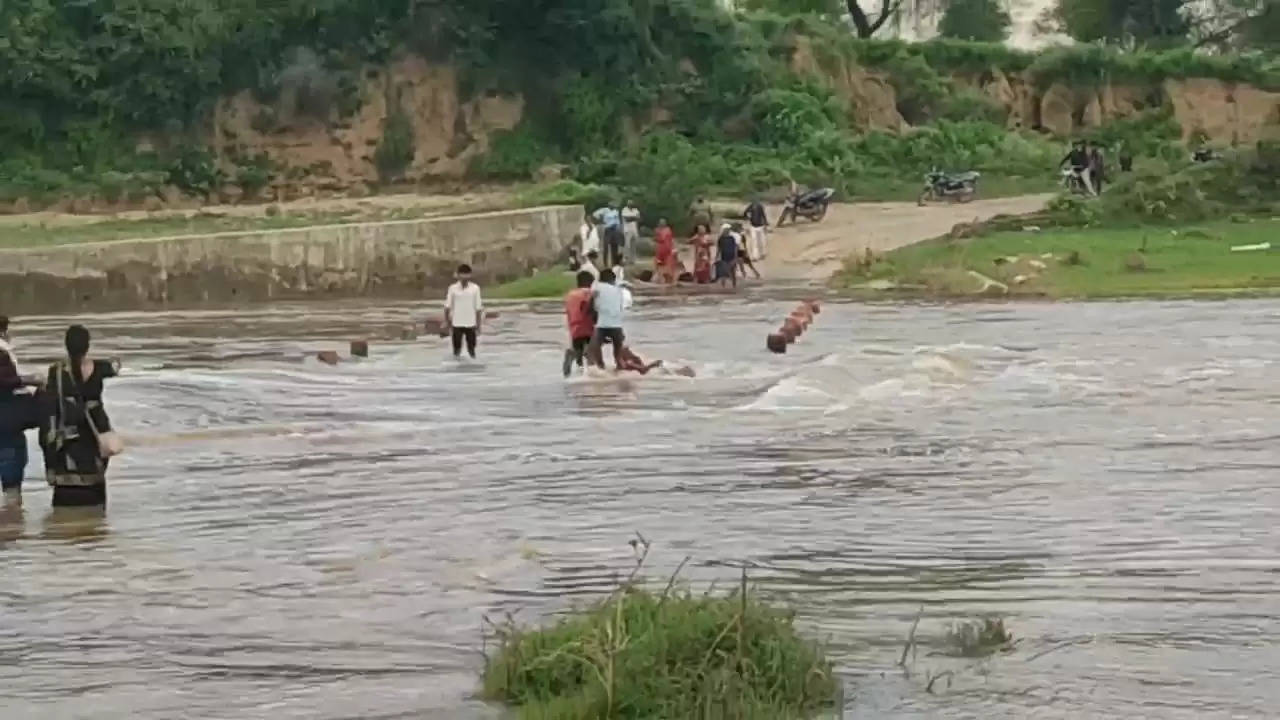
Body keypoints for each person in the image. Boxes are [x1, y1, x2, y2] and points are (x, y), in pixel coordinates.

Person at [38, 325, 121, 508]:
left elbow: (47, 415)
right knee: (96, 521)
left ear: (66, 346)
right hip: (94, 447)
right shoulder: (100, 368)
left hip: (67, 454)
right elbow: (116, 366)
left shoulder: (56, 372)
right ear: (88, 346)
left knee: (63, 522)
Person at [589, 268, 627, 370]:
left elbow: (592, 298)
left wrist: (592, 314)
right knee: (618, 354)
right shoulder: (618, 290)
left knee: (594, 347)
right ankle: (620, 367)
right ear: (613, 280)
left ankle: (600, 367)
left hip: (602, 325)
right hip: (617, 326)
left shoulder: (598, 286)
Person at [444, 264, 483, 359]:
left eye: (467, 274)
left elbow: (478, 308)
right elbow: (447, 307)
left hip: (471, 323)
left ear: (470, 275)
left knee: (472, 350)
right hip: (457, 323)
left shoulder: (475, 288)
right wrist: (447, 322)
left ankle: (473, 370)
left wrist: (478, 326)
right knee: (456, 350)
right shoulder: (452, 288)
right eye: (462, 274)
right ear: (458, 275)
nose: (464, 277)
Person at [562, 271, 597, 377]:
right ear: (590, 282)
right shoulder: (590, 293)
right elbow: (593, 310)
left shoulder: (569, 295)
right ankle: (591, 376)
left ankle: (570, 370)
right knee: (591, 355)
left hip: (573, 328)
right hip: (587, 327)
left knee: (578, 351)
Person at [592, 203, 624, 268]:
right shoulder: (604, 210)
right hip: (607, 229)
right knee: (605, 246)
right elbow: (594, 214)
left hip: (614, 229)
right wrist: (600, 220)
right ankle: (605, 263)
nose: (613, 206)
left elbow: (618, 221)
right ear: (609, 205)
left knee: (614, 246)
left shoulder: (616, 212)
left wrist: (619, 229)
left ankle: (614, 262)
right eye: (611, 205)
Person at [653, 218, 677, 284]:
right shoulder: (657, 230)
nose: (662, 223)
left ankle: (670, 280)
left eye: (663, 222)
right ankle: (659, 279)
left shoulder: (668, 230)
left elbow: (671, 240)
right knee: (659, 265)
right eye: (661, 222)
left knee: (669, 265)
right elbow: (656, 239)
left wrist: (674, 248)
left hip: (668, 250)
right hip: (660, 249)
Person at [716, 223, 739, 289]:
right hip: (724, 257)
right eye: (726, 230)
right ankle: (724, 286)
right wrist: (717, 257)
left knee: (733, 272)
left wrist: (735, 257)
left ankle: (734, 285)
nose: (727, 231)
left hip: (731, 257)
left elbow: (735, 248)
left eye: (728, 230)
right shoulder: (721, 239)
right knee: (724, 273)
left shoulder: (732, 238)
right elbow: (719, 249)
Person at [621, 200, 641, 265]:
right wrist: (634, 217)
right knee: (627, 245)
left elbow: (638, 219)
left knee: (634, 245)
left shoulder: (636, 210)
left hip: (634, 229)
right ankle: (624, 259)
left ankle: (633, 260)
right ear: (627, 204)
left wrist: (632, 218)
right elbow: (627, 219)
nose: (630, 204)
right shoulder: (624, 210)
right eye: (629, 203)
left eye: (631, 203)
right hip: (627, 230)